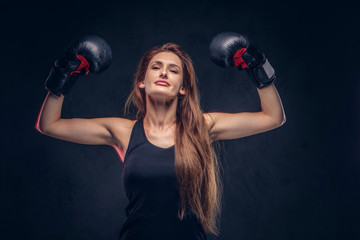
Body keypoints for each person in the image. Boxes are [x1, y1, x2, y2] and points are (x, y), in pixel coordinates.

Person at [35, 32, 286, 240]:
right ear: (142, 81)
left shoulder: (203, 125)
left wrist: (257, 64)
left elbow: (273, 117)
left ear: (184, 88)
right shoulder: (123, 131)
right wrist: (65, 73)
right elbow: (49, 124)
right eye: (156, 67)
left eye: (174, 70)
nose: (164, 73)